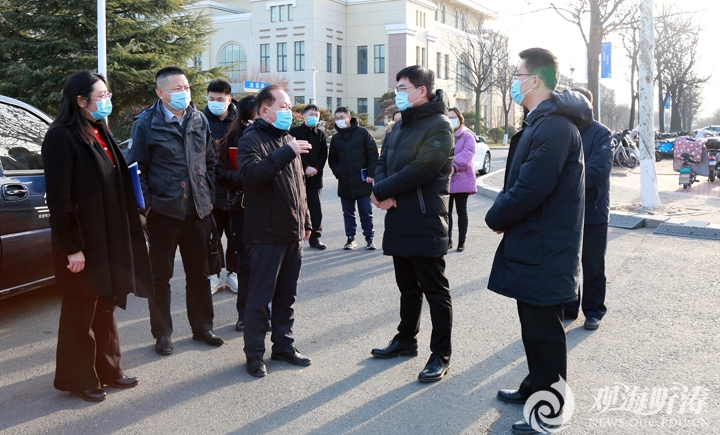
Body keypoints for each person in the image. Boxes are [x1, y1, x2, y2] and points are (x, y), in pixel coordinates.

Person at [484, 48, 591, 434]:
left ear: (535, 80)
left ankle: (551, 408)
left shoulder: (555, 128)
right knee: (533, 326)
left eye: (517, 75)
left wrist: (496, 217)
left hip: (546, 247)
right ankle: (535, 386)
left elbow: (531, 188)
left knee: (545, 331)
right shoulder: (541, 123)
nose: (514, 82)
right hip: (535, 242)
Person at [42, 70, 153, 402]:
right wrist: (72, 248)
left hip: (107, 237)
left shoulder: (98, 129)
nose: (107, 100)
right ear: (80, 100)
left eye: (108, 94)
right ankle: (79, 378)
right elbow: (60, 199)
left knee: (105, 305)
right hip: (83, 242)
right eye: (101, 96)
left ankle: (109, 370)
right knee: (80, 310)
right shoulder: (61, 138)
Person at [128, 66, 225, 356]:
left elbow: (210, 161)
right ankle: (162, 333)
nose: (184, 93)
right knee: (160, 277)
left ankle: (203, 327)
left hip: (198, 210)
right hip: (164, 213)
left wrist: (209, 198)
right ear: (161, 93)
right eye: (177, 89)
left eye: (186, 88)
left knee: (200, 274)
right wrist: (149, 206)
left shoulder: (198, 119)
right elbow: (137, 168)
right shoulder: (146, 123)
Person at [370, 65, 454, 383]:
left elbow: (423, 168)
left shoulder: (439, 126)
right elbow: (382, 161)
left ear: (422, 91)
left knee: (435, 290)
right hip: (399, 217)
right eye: (397, 89)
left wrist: (382, 191)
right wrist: (380, 190)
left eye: (403, 88)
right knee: (407, 287)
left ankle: (441, 354)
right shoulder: (398, 126)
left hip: (425, 218)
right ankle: (406, 339)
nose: (398, 94)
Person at [237, 85, 313, 377]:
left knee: (287, 295)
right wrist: (286, 152)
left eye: (290, 107)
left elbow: (299, 186)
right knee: (260, 298)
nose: (289, 112)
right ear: (264, 110)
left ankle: (283, 346)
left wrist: (305, 221)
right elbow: (251, 176)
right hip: (266, 234)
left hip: (292, 232)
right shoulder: (251, 139)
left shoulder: (288, 138)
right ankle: (254, 354)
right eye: (283, 107)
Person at [564, 88, 613, 331]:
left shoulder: (601, 133)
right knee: (567, 263)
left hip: (593, 211)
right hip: (567, 212)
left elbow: (597, 171)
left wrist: (563, 179)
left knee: (593, 265)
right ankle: (569, 306)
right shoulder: (565, 130)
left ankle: (593, 311)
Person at [215, 95, 257, 332]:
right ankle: (244, 314)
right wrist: (245, 177)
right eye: (255, 118)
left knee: (267, 266)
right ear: (243, 120)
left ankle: (264, 312)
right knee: (246, 264)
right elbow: (219, 174)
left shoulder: (281, 139)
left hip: (270, 212)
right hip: (241, 209)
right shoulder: (230, 140)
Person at [203, 79, 239, 294]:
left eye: (220, 99)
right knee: (212, 237)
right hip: (211, 190)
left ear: (229, 99)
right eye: (211, 99)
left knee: (235, 236)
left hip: (235, 189)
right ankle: (214, 275)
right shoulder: (200, 120)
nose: (215, 103)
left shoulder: (239, 120)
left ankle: (233, 273)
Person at [328, 106, 379, 250]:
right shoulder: (336, 139)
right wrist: (339, 172)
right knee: (348, 213)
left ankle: (369, 238)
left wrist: (371, 174)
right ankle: (350, 238)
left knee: (366, 212)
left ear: (349, 118)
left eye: (342, 117)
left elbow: (373, 154)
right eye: (337, 118)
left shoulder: (363, 133)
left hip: (363, 181)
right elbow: (332, 160)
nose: (339, 120)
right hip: (345, 182)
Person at [289, 104, 328, 250]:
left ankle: (315, 237)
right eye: (311, 114)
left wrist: (315, 168)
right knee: (296, 206)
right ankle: (295, 236)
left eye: (316, 115)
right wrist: (305, 167)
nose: (314, 117)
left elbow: (323, 154)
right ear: (304, 115)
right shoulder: (294, 132)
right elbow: (294, 152)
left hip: (315, 177)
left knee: (315, 208)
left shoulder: (321, 134)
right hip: (298, 175)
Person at [446, 108, 477, 252]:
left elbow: (468, 153)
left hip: (462, 178)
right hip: (446, 179)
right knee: (446, 213)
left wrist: (453, 166)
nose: (451, 120)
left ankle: (461, 241)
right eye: (449, 117)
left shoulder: (467, 136)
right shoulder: (444, 134)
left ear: (460, 118)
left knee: (461, 211)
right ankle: (448, 240)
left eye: (454, 117)